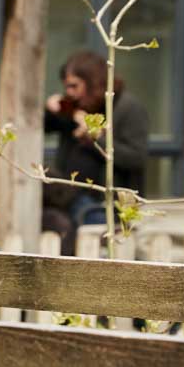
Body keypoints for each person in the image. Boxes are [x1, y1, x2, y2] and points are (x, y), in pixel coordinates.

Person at [40, 50, 151, 251]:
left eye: (74, 86)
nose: (70, 92)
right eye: (66, 87)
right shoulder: (75, 106)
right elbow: (42, 127)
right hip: (70, 199)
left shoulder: (128, 109)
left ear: (93, 83)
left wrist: (96, 138)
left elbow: (136, 158)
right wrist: (51, 110)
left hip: (104, 205)